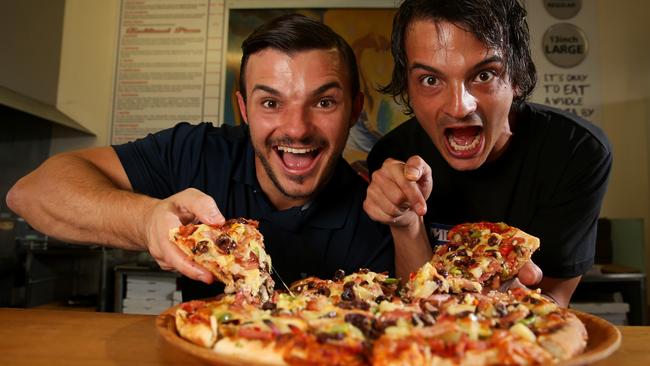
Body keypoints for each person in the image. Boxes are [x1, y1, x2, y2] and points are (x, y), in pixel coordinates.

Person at [6, 14, 394, 301]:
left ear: (355, 109)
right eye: (271, 103)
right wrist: (148, 221)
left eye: (324, 102)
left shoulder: (375, 212)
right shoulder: (195, 151)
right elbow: (31, 193)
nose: (296, 128)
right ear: (243, 109)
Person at [363, 0, 612, 307]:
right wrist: (405, 221)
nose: (459, 107)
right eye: (431, 80)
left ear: (517, 78)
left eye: (484, 75)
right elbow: (415, 312)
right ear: (408, 90)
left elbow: (552, 303)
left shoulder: (575, 151)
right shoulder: (392, 158)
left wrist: (495, 294)